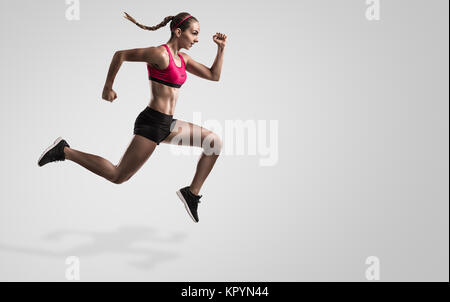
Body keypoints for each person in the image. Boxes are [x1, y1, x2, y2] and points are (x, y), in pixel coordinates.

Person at [37, 12, 227, 223]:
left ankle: (191, 194)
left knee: (213, 142)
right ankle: (64, 151)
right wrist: (108, 87)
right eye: (194, 33)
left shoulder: (183, 59)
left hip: (167, 124)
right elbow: (120, 55)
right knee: (118, 176)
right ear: (178, 31)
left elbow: (213, 75)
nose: (196, 39)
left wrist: (221, 48)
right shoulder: (160, 54)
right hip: (152, 123)